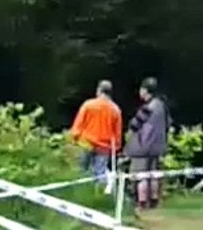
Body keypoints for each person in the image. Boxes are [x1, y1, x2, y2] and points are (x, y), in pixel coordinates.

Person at [125, 77, 170, 210]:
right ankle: (154, 200)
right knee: (154, 173)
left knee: (141, 175)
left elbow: (134, 125)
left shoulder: (147, 107)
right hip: (158, 146)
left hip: (143, 146)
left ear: (145, 91)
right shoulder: (161, 106)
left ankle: (142, 202)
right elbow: (168, 124)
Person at [69, 79, 122, 182]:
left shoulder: (88, 105)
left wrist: (74, 139)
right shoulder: (115, 110)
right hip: (104, 147)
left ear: (99, 91)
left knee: (81, 172)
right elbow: (117, 133)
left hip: (85, 143)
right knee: (100, 174)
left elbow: (78, 124)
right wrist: (116, 147)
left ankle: (80, 193)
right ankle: (99, 196)